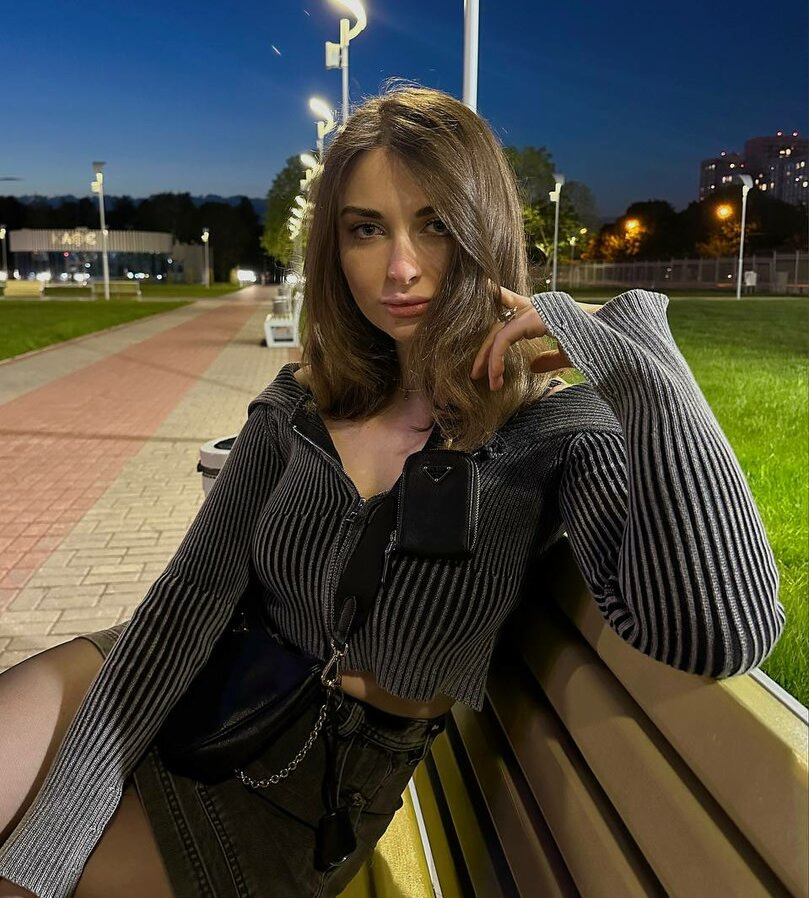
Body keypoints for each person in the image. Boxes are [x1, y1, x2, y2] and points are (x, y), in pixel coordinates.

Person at [0, 83, 785, 898]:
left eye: (435, 224)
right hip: (170, 678)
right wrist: (61, 827)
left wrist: (641, 366)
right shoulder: (302, 400)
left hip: (305, 795)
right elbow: (189, 599)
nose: (400, 268)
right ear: (334, 249)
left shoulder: (552, 429)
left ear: (484, 229)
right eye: (366, 230)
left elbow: (717, 633)